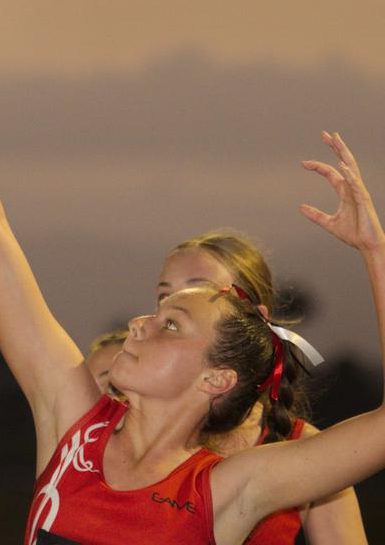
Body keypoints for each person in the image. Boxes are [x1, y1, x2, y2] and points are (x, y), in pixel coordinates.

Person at [0, 0, 385, 545]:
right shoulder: (71, 417)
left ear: (216, 379)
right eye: (158, 308)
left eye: (172, 324)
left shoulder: (229, 489)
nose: (140, 323)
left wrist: (375, 251)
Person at [155, 230, 367, 542]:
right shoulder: (127, 430)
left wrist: (374, 248)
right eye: (164, 297)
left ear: (253, 318)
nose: (172, 310)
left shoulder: (302, 449)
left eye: (198, 293)